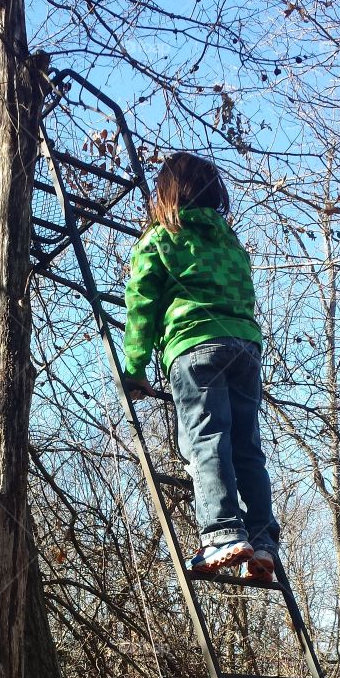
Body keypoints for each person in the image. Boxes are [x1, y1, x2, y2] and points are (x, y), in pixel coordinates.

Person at [122, 151, 280, 582]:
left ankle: (223, 533)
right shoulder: (229, 242)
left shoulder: (159, 241)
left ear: (166, 195)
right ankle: (263, 541)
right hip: (245, 347)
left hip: (196, 348)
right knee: (246, 447)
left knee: (207, 438)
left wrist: (134, 367)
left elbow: (141, 304)